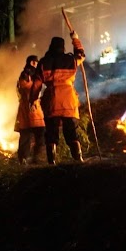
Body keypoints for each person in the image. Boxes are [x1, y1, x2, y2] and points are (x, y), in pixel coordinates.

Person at [35, 32, 86, 164]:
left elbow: (36, 85)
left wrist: (32, 100)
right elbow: (81, 54)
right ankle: (79, 159)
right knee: (71, 131)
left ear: (51, 46)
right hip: (68, 99)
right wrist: (75, 39)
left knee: (51, 133)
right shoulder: (71, 60)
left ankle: (52, 162)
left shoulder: (43, 62)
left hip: (52, 99)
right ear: (63, 47)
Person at [14, 55, 46, 165]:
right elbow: (29, 90)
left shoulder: (26, 75)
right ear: (31, 63)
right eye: (34, 62)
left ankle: (27, 158)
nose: (36, 65)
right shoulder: (28, 76)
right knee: (37, 134)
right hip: (33, 109)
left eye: (36, 63)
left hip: (29, 110)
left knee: (27, 134)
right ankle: (32, 158)